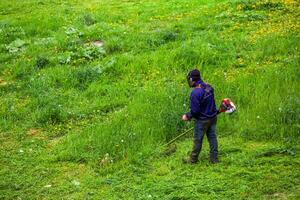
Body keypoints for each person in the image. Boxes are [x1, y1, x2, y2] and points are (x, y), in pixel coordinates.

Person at [182, 69, 219, 164]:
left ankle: (193, 160)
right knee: (212, 138)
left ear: (192, 80)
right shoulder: (209, 87)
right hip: (213, 117)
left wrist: (187, 116)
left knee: (198, 140)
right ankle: (214, 159)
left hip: (202, 121)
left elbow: (195, 111)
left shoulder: (195, 93)